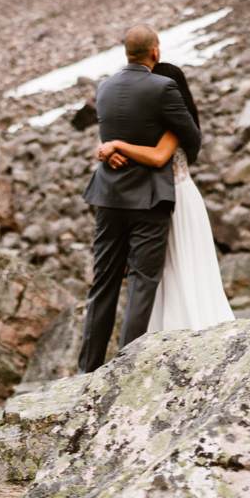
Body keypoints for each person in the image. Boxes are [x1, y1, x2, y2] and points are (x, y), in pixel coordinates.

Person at [76, 24, 203, 372]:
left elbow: (110, 136)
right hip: (149, 197)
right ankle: (125, 367)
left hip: (108, 194)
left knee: (103, 282)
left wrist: (112, 150)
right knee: (143, 283)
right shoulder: (164, 88)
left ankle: (87, 368)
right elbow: (191, 138)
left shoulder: (105, 87)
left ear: (126, 52)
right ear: (155, 51)